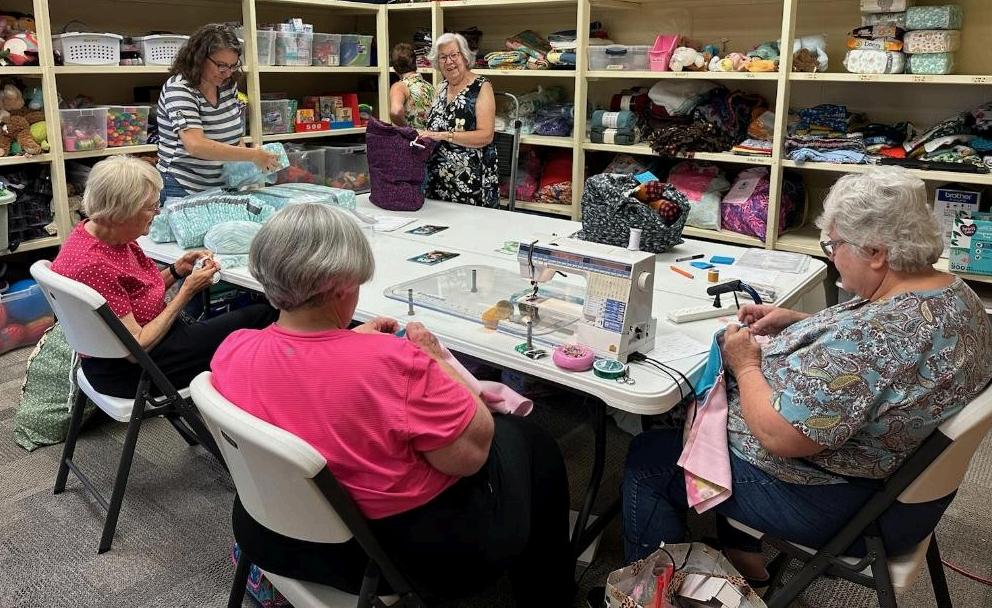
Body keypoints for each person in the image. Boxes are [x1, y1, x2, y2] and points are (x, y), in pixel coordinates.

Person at [622, 167, 992, 582]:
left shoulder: (875, 338)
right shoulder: (952, 294)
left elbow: (782, 437)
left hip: (847, 504)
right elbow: (882, 358)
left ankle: (648, 592)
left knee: (650, 459)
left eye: (834, 245)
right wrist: (803, 323)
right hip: (902, 489)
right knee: (725, 412)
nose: (831, 256)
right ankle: (746, 560)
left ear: (876, 251)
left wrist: (745, 364)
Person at [210, 203, 574, 605]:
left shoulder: (232, 350)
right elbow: (470, 456)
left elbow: (304, 377)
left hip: (267, 535)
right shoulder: (395, 365)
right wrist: (435, 359)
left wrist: (349, 342)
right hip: (382, 557)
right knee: (531, 442)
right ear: (341, 284)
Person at [51, 156, 277, 399]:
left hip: (128, 356)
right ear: (120, 212)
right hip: (132, 372)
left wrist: (176, 270)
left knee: (241, 320)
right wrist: (186, 291)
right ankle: (260, 403)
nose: (157, 212)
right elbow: (136, 346)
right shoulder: (93, 266)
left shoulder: (95, 235)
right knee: (263, 314)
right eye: (150, 207)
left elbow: (136, 291)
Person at [156, 23, 279, 202]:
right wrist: (253, 156)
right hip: (183, 186)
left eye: (233, 66)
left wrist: (247, 170)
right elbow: (196, 145)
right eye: (221, 65)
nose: (227, 73)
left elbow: (235, 135)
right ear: (199, 58)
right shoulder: (180, 88)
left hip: (221, 185)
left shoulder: (227, 85)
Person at [418, 33, 498, 207]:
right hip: (437, 182)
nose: (449, 61)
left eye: (454, 55)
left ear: (464, 56)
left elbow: (486, 136)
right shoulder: (440, 88)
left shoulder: (481, 87)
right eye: (443, 57)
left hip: (471, 182)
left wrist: (444, 135)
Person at [388, 42, 435, 130]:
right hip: (430, 137)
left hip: (411, 138)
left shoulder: (399, 87)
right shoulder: (430, 87)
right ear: (415, 63)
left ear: (394, 68)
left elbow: (395, 112)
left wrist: (407, 130)